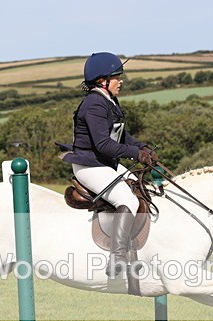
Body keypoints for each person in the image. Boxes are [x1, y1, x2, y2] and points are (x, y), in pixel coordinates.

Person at [59, 52, 158, 277]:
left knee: (140, 187)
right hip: (90, 167)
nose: (120, 81)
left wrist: (143, 147)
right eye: (116, 77)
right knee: (127, 201)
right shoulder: (94, 104)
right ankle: (118, 258)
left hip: (105, 164)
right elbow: (103, 144)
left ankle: (135, 252)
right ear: (103, 80)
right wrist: (135, 154)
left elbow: (120, 136)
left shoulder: (108, 100)